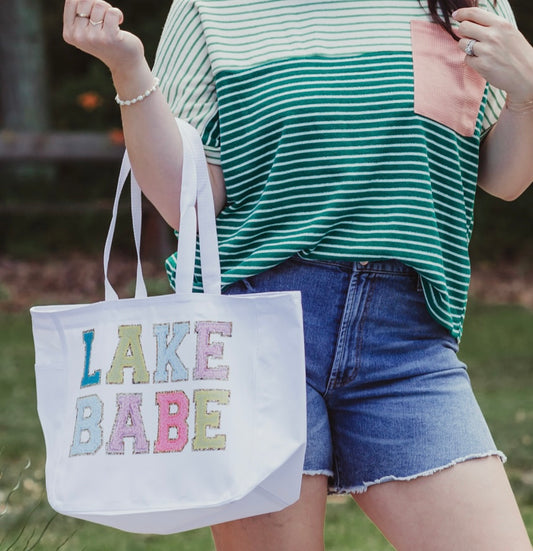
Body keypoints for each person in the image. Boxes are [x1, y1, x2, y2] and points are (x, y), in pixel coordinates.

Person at [63, 0, 533, 548]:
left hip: (408, 346)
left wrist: (526, 91)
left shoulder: (463, 3)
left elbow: (504, 176)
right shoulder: (211, 9)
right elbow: (189, 203)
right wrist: (128, 69)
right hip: (255, 336)